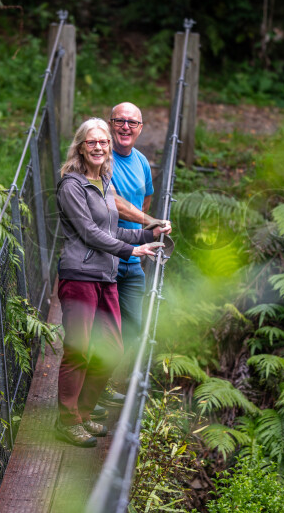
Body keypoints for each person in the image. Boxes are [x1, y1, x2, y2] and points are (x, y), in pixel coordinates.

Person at [54, 118, 168, 447]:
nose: (100, 147)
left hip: (105, 275)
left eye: (104, 142)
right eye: (93, 142)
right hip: (79, 275)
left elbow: (112, 229)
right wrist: (133, 249)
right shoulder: (72, 186)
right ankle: (68, 420)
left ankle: (85, 413)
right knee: (78, 349)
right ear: (80, 146)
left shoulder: (105, 182)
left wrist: (149, 233)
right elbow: (90, 233)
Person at [99, 102, 171, 409]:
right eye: (119, 121)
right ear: (111, 123)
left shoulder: (142, 162)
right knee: (102, 330)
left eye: (132, 123)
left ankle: (104, 383)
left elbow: (147, 199)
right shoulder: (100, 158)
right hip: (105, 258)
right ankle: (88, 398)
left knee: (134, 329)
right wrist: (149, 222)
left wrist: (147, 230)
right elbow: (111, 200)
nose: (125, 127)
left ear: (141, 128)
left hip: (133, 258)